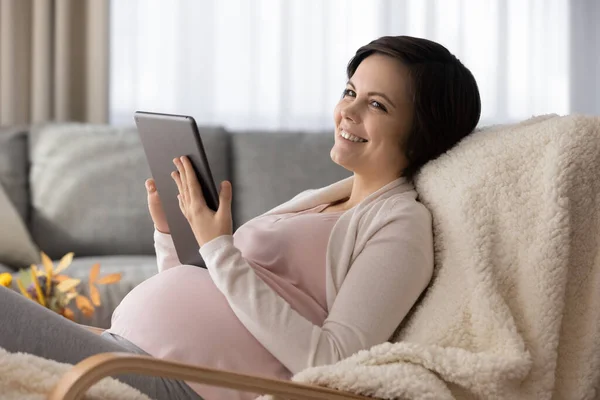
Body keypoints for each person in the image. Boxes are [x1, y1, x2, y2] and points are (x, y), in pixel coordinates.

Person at [0, 35, 481, 400]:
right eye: (350, 91)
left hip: (180, 385)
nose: (347, 111)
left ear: (422, 131)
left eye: (376, 104)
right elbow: (209, 291)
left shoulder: (400, 226)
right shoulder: (319, 198)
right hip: (124, 347)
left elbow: (334, 360)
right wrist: (174, 233)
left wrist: (217, 247)